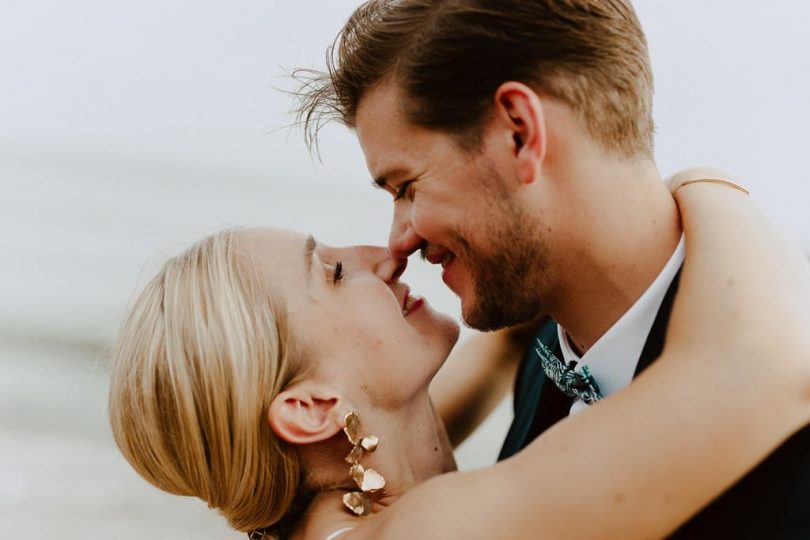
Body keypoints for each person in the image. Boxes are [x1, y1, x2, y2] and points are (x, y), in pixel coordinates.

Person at [295, 1, 810, 535]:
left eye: (406, 186)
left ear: (520, 132)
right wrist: (710, 185)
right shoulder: (540, 354)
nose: (397, 244)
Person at [108, 180, 810, 539]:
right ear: (309, 406)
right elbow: (758, 372)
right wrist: (704, 191)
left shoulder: (340, 495)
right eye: (329, 272)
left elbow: (496, 353)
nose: (382, 256)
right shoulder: (428, 533)